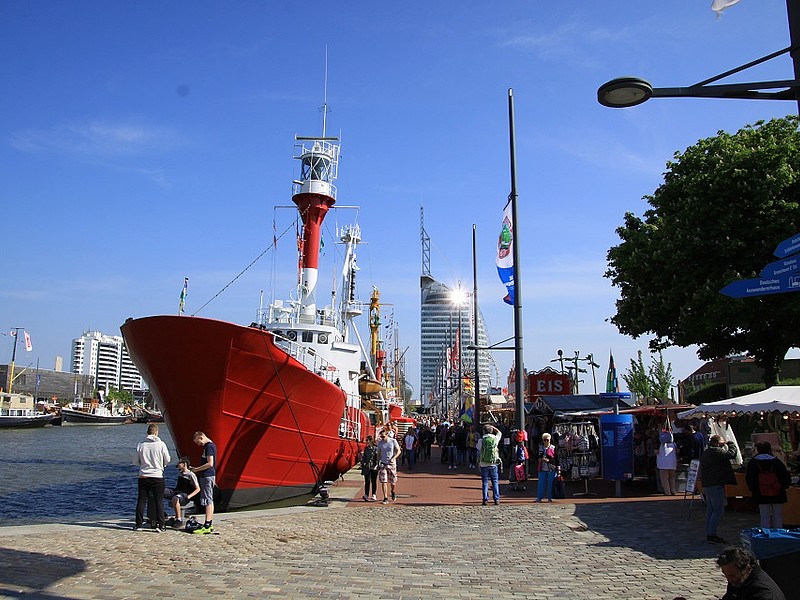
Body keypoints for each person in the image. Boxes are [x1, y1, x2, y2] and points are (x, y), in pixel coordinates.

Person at [699, 434, 738, 544]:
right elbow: (731, 454)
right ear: (717, 443)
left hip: (708, 484)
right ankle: (712, 534)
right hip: (715, 484)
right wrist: (730, 444)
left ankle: (709, 532)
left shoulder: (706, 452)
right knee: (718, 509)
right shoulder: (716, 451)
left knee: (711, 509)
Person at [744, 441, 792, 529]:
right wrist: (783, 487)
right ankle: (778, 534)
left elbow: (749, 479)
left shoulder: (753, 463)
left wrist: (754, 489)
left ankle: (766, 535)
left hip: (761, 493)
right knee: (777, 515)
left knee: (764, 516)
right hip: (777, 491)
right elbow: (785, 476)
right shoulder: (777, 462)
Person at [134, 423, 171, 531]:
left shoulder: (141, 444)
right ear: (156, 432)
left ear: (147, 432)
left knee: (141, 500)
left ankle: (139, 524)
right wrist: (161, 464)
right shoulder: (161, 444)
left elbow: (135, 461)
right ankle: (161, 525)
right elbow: (167, 459)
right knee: (159, 501)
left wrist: (143, 464)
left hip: (144, 475)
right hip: (157, 475)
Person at [715, 546, 786, 600]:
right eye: (726, 575)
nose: (729, 580)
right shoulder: (739, 581)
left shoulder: (763, 593)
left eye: (733, 576)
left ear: (747, 569)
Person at [190, 431, 217, 534]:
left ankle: (207, 524)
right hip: (208, 476)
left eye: (198, 442)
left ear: (201, 437)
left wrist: (197, 469)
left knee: (208, 499)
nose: (198, 445)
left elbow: (210, 463)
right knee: (208, 499)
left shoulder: (209, 447)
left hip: (207, 475)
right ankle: (209, 523)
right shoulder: (210, 446)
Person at [164, 456, 200, 528]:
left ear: (184, 464)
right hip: (177, 491)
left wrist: (188, 496)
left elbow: (198, 489)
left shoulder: (191, 475)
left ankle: (179, 519)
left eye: (179, 463)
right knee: (160, 491)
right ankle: (161, 514)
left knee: (175, 498)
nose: (178, 464)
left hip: (184, 494)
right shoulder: (180, 473)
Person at [476, 424, 502, 505]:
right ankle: (496, 499)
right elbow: (499, 433)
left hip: (484, 463)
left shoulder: (482, 439)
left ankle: (485, 499)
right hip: (493, 462)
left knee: (485, 482)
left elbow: (478, 448)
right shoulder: (495, 438)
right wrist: (493, 428)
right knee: (495, 481)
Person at [377, 428, 401, 504]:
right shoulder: (380, 443)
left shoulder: (393, 441)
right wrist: (378, 463)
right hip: (383, 464)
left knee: (393, 481)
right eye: (381, 437)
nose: (382, 438)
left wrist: (394, 458)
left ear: (387, 435)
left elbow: (398, 451)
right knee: (384, 481)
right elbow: (379, 453)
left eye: (383, 436)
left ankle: (393, 491)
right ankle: (385, 497)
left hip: (391, 463)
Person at [534, 432, 558, 503]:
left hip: (551, 468)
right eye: (544, 440)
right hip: (542, 468)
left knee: (551, 484)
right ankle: (539, 497)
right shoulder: (540, 448)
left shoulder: (553, 448)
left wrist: (549, 460)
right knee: (541, 484)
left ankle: (550, 498)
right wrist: (540, 459)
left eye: (547, 440)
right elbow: (536, 456)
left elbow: (556, 459)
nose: (546, 441)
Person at [657, 429, 678, 496]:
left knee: (664, 479)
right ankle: (673, 490)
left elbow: (656, 452)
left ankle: (667, 492)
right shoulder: (674, 444)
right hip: (672, 463)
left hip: (663, 464)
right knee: (672, 478)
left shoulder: (660, 444)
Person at [360, 435, 379, 501]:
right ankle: (366, 495)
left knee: (374, 481)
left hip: (374, 466)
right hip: (367, 467)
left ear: (371, 441)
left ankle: (374, 494)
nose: (366, 442)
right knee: (367, 481)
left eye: (367, 440)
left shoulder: (376, 448)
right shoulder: (366, 449)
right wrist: (363, 462)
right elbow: (364, 456)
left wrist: (377, 465)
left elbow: (377, 458)